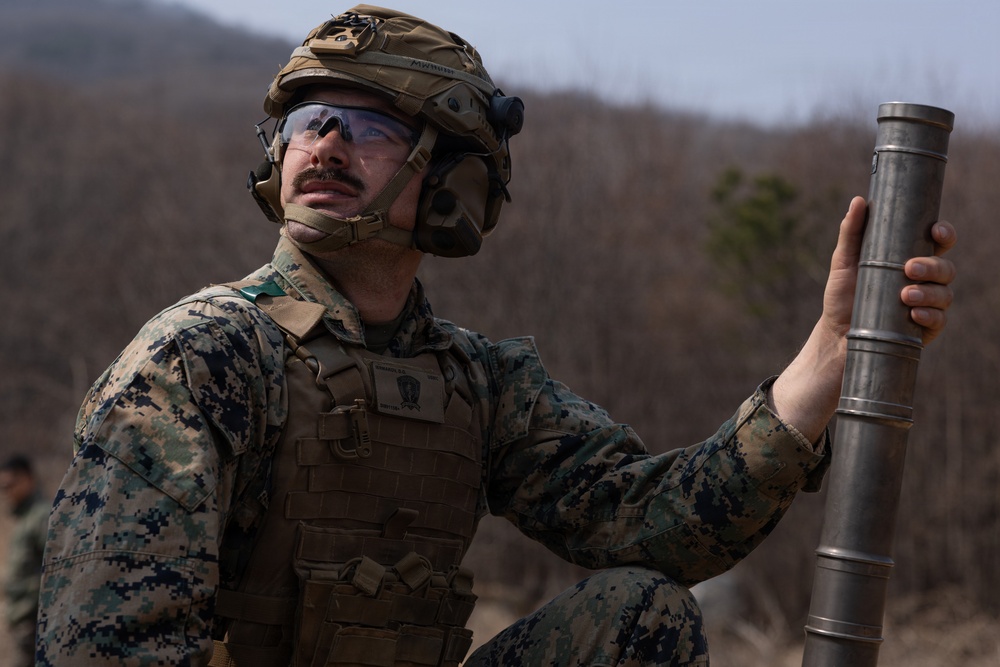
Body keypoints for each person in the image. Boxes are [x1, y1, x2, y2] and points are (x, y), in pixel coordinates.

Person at [36, 6, 957, 666]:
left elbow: (664, 527)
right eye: (306, 122)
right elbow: (106, 644)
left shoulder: (478, 383)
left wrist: (833, 347)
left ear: (452, 184)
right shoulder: (202, 355)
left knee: (637, 611)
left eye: (364, 126)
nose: (321, 146)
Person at [1, 455, 49, 667]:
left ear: (28, 480)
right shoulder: (24, 518)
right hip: (22, 623)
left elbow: (54, 570)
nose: (5, 492)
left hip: (34, 623)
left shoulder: (40, 517)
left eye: (10, 485)